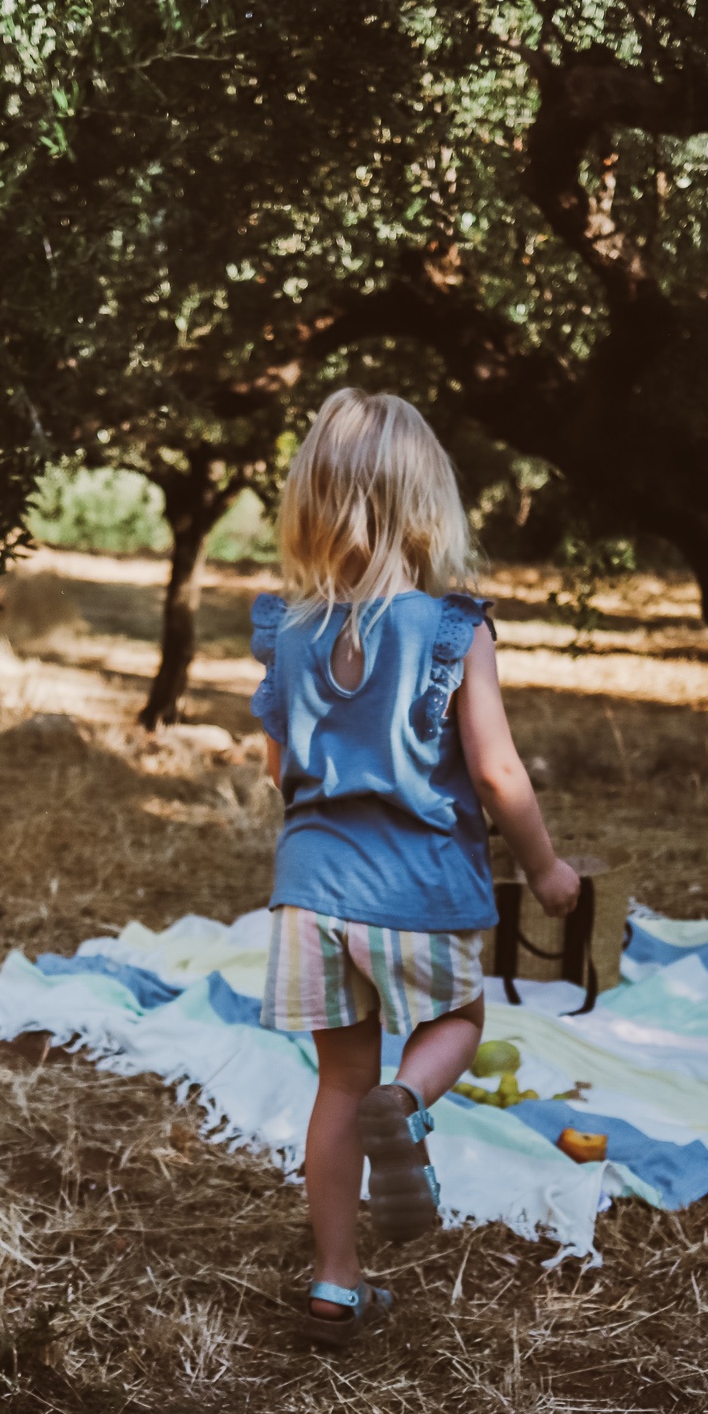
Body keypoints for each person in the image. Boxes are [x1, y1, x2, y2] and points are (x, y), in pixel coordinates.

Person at [251, 388, 580, 1348]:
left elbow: (277, 769)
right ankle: (408, 1101)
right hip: (419, 888)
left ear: (313, 500)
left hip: (310, 895)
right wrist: (546, 870)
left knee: (336, 1086)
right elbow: (496, 771)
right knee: (458, 1022)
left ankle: (335, 1282)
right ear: (426, 502)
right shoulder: (451, 628)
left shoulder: (287, 631)